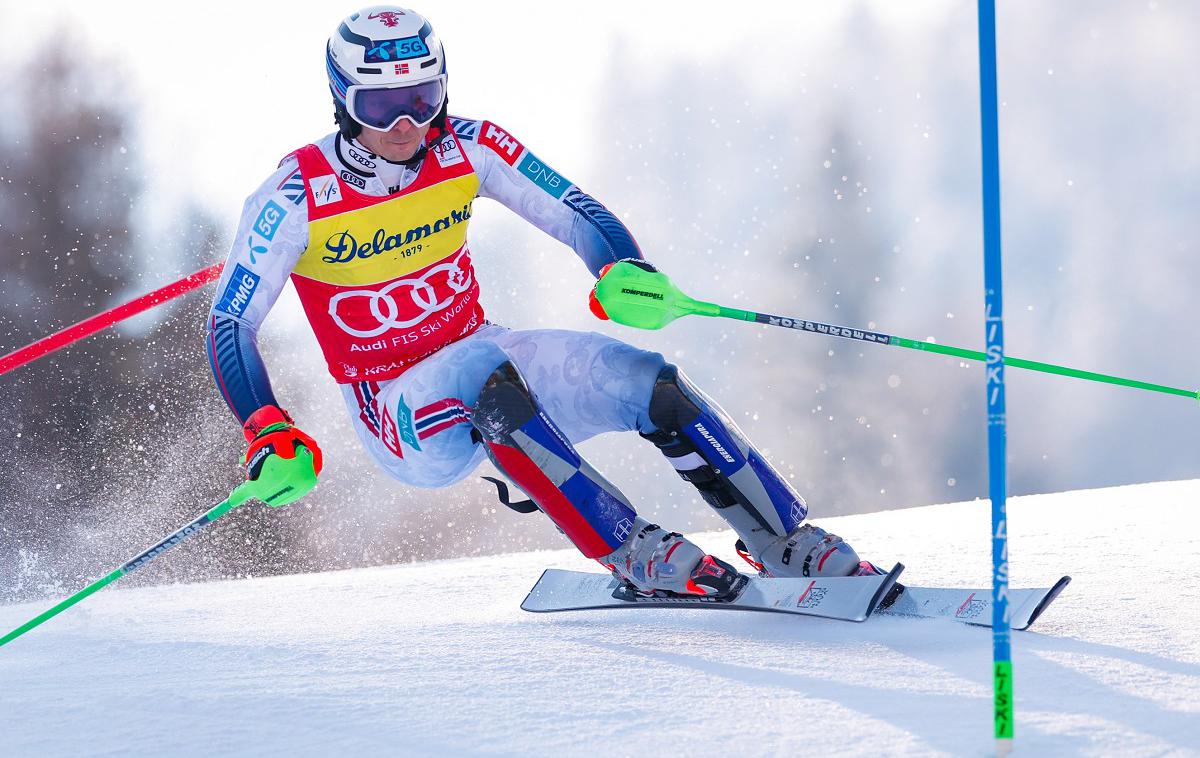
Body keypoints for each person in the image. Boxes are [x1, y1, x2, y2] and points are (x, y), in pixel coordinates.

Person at [206, 5, 880, 598]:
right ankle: (631, 552)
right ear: (342, 100)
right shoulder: (294, 195)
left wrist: (617, 266)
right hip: (399, 411)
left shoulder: (470, 144)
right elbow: (232, 321)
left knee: (650, 381)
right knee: (487, 381)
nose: (407, 124)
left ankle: (786, 542)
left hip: (482, 350)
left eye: (424, 96)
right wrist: (266, 424)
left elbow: (575, 211)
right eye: (381, 107)